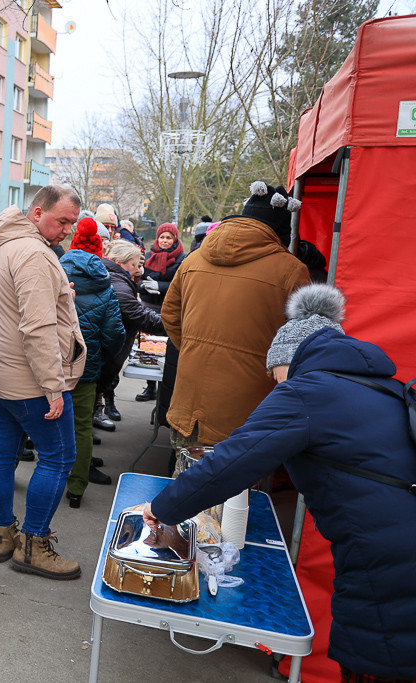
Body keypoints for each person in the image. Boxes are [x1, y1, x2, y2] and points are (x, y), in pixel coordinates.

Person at [144, 284, 416, 683]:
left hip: (386, 559)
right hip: (397, 544)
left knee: (378, 659)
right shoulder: (383, 386)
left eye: (276, 373)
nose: (275, 383)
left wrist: (162, 507)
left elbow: (233, 459)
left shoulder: (307, 392)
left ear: (292, 359)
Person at [0, 184, 86, 580]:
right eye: (62, 221)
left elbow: (16, 305)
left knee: (2, 452)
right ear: (38, 212)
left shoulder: (4, 243)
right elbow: (37, 327)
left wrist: (59, 293)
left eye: (72, 224)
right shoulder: (34, 254)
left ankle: (1, 535)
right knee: (58, 458)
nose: (67, 232)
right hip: (30, 380)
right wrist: (53, 384)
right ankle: (33, 545)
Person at [161, 182, 310, 449]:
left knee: (185, 481)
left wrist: (195, 347)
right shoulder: (292, 271)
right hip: (248, 410)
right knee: (236, 488)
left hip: (188, 400)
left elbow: (170, 315)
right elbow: (302, 341)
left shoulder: (194, 259)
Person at [60, 217, 125, 507]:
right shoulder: (105, 284)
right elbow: (114, 335)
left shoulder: (54, 271)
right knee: (82, 427)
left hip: (51, 364)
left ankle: (48, 479)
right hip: (86, 367)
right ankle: (76, 489)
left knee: (42, 423)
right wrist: (101, 357)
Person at [93, 240, 166, 435]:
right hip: (104, 356)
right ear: (119, 261)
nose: (139, 270)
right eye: (134, 265)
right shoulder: (117, 281)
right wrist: (175, 324)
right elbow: (139, 315)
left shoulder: (116, 277)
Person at [135, 222, 185, 402]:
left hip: (169, 309)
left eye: (168, 237)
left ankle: (166, 389)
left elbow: (182, 284)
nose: (164, 241)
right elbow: (137, 280)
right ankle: (150, 387)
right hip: (148, 306)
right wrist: (145, 286)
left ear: (174, 239)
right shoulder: (148, 255)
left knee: (167, 349)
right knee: (148, 349)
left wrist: (161, 287)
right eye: (162, 237)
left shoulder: (182, 259)